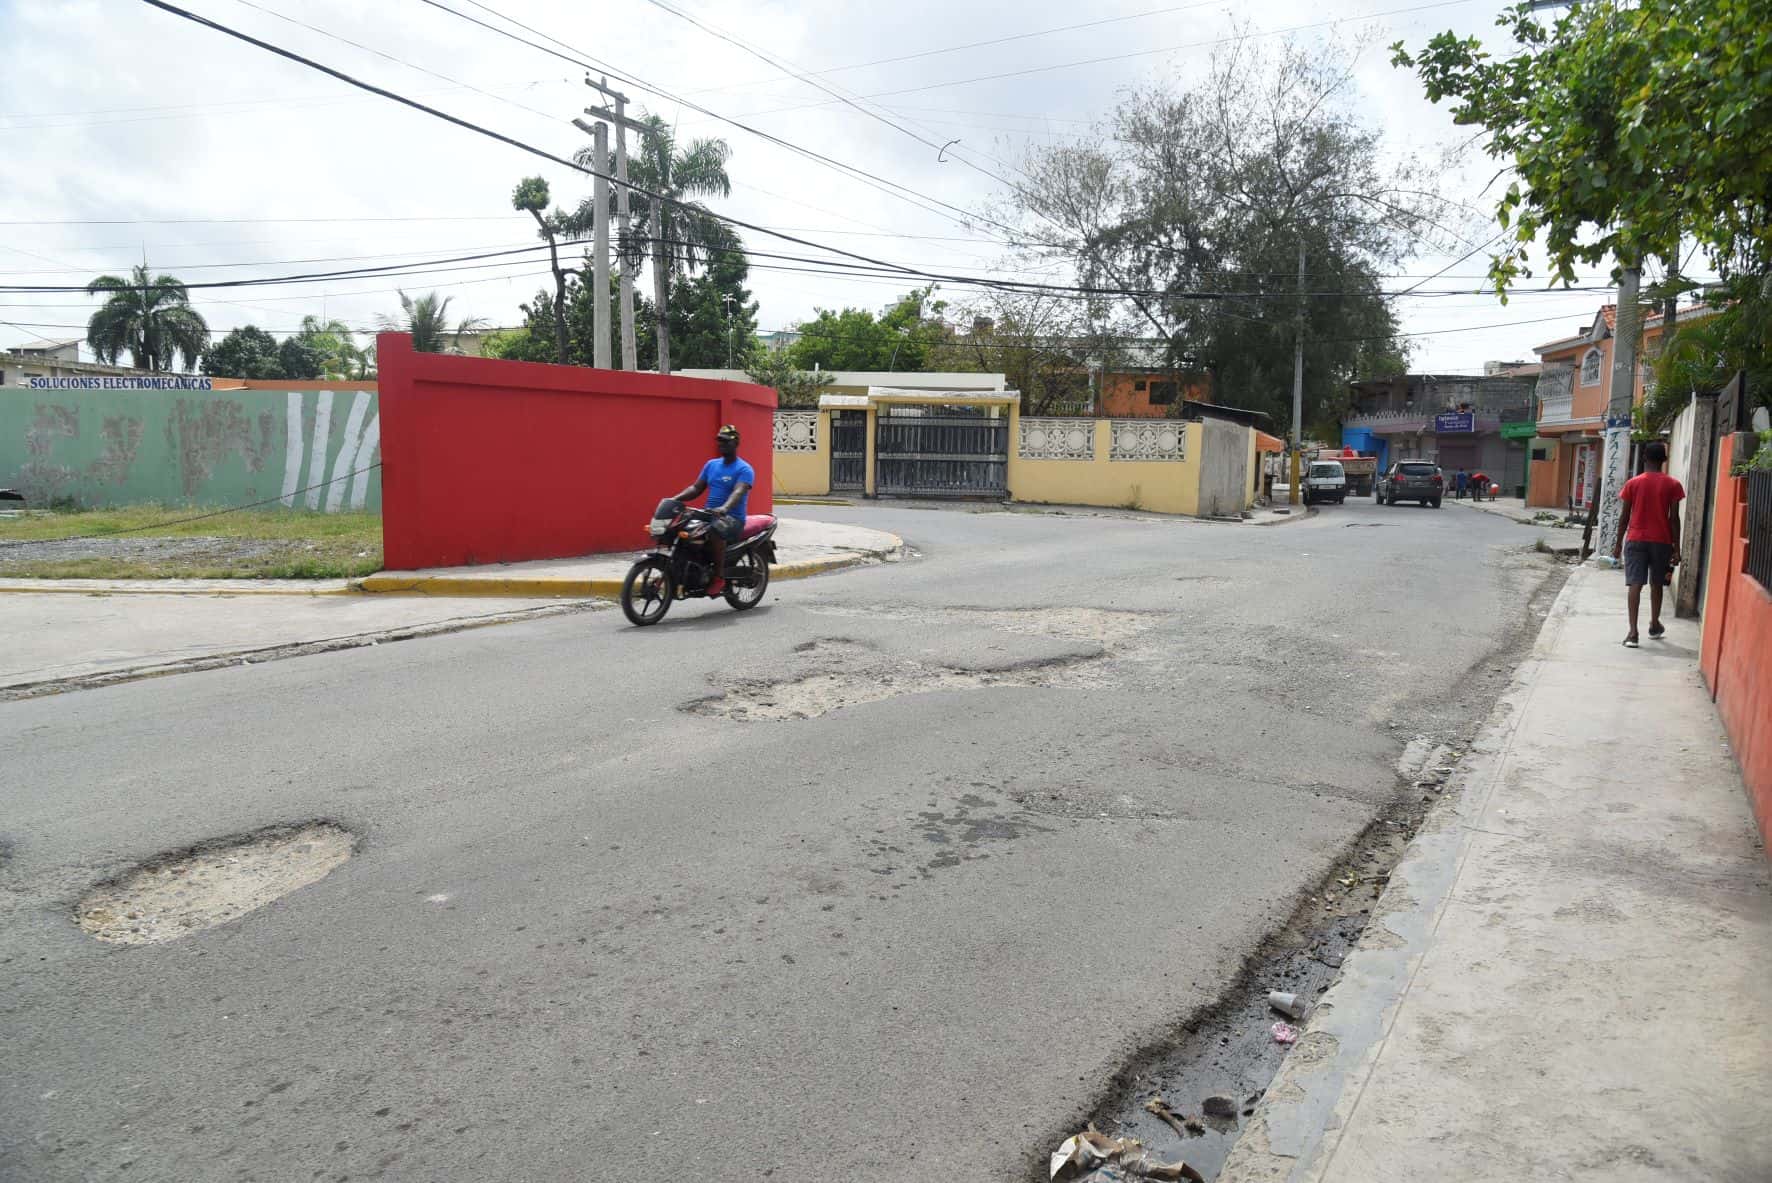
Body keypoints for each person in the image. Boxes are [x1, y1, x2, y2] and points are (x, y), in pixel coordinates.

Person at [1613, 440, 1685, 648]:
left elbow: (1624, 517)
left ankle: (1633, 634)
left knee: (1635, 583)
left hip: (1635, 539)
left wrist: (1618, 544)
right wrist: (1677, 548)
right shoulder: (1673, 484)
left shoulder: (1633, 483)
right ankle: (1654, 624)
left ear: (1644, 458)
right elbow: (1674, 519)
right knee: (1657, 584)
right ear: (1664, 460)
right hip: (1661, 541)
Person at [670, 424, 753, 598]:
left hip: (732, 518)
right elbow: (696, 488)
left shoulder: (744, 469)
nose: (722, 444)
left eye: (726, 441)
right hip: (709, 514)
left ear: (736, 443)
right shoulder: (711, 465)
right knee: (682, 528)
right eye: (719, 441)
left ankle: (719, 577)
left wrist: (724, 508)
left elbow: (738, 492)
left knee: (715, 530)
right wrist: (675, 499)